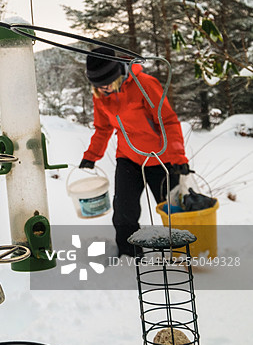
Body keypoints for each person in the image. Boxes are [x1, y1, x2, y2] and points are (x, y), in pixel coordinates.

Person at [79, 47, 190, 257]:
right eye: (98, 85)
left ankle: (184, 253)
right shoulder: (100, 94)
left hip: (161, 158)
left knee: (174, 210)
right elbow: (103, 128)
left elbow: (168, 121)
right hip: (128, 157)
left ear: (118, 75)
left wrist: (178, 157)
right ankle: (129, 254)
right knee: (123, 211)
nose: (103, 89)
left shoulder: (145, 84)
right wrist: (90, 156)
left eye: (107, 83)